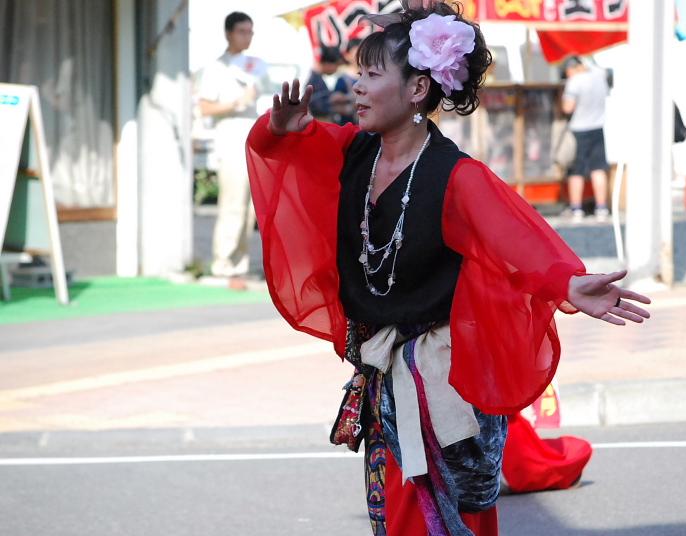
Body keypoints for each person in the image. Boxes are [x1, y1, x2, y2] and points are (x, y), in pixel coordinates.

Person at [246, 3, 650, 535]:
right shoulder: (354, 151)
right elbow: (292, 153)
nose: (357, 87)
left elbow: (517, 240)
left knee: (448, 515)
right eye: (359, 74)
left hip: (441, 381)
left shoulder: (455, 175)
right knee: (398, 513)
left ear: (417, 89)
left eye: (372, 75)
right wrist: (282, 131)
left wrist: (568, 284)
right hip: (384, 373)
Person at [197, 11, 268, 280]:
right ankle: (222, 263)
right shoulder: (215, 68)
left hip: (254, 136)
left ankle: (239, 264)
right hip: (229, 136)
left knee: (252, 205)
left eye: (250, 32)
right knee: (233, 201)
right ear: (229, 33)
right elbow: (204, 107)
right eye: (242, 31)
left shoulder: (257, 64)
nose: (247, 37)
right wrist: (236, 102)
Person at [561, 56, 610, 223]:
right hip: (598, 126)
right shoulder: (600, 77)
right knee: (598, 169)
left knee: (577, 170)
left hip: (578, 129)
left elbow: (568, 107)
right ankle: (601, 207)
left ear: (573, 67)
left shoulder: (574, 81)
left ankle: (576, 208)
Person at [306, 46, 345, 122]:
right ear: (327, 64)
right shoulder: (314, 79)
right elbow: (316, 105)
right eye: (336, 65)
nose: (337, 69)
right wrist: (332, 101)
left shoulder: (317, 78)